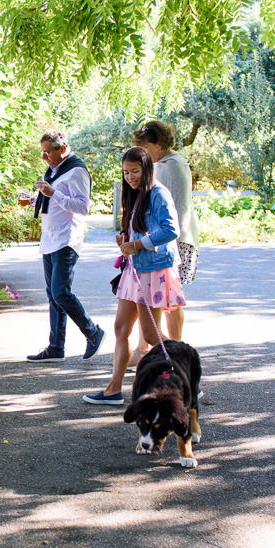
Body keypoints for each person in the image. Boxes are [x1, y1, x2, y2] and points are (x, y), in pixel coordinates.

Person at [83, 146, 185, 404]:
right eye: (126, 172)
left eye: (135, 171)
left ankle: (185, 375)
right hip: (134, 269)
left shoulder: (158, 193)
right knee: (120, 328)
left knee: (151, 336)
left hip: (151, 270)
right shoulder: (135, 193)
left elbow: (171, 230)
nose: (130, 177)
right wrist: (126, 239)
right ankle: (113, 389)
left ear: (147, 168)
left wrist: (138, 245)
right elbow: (140, 228)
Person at [27, 129, 105, 363]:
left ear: (62, 149)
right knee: (53, 295)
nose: (44, 157)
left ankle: (92, 332)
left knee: (61, 292)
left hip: (66, 239)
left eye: (47, 152)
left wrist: (53, 193)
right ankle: (56, 347)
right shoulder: (53, 170)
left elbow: (83, 207)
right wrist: (35, 199)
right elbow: (52, 201)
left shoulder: (76, 170)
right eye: (42, 153)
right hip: (50, 240)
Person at [128, 120, 200, 366]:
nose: (143, 153)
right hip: (166, 239)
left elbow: (167, 211)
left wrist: (143, 241)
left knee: (167, 299)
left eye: (145, 147)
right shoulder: (170, 163)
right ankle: (146, 349)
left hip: (171, 241)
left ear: (158, 144)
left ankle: (172, 351)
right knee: (154, 299)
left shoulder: (168, 167)